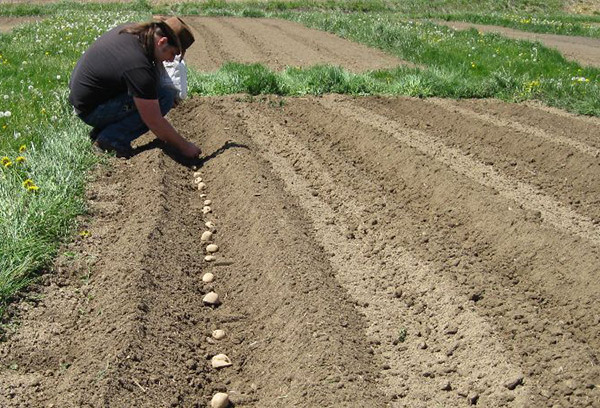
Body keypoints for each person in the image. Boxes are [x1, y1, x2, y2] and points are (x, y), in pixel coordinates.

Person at [69, 17, 201, 159]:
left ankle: (103, 131)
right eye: (173, 54)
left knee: (156, 93)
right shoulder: (137, 65)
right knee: (164, 97)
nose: (171, 60)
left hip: (88, 99)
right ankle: (110, 140)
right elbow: (154, 120)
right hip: (91, 110)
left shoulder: (135, 32)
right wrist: (185, 146)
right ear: (162, 42)